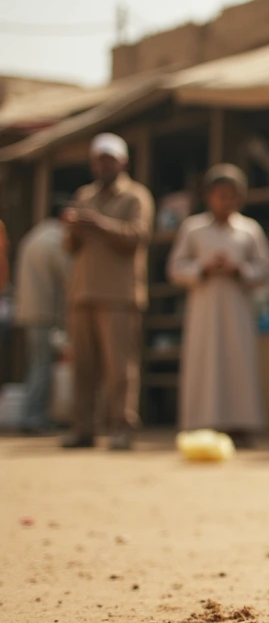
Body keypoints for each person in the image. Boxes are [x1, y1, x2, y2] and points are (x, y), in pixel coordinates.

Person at [168, 165, 269, 447]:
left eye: (232, 196)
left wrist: (239, 270)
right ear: (208, 196)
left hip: (238, 307)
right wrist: (202, 267)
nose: (226, 201)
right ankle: (201, 424)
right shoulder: (193, 228)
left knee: (238, 363)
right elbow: (175, 267)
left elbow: (265, 268)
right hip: (204, 306)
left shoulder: (249, 230)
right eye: (220, 195)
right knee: (204, 362)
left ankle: (241, 426)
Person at [62, 133, 155, 451]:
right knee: (83, 367)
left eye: (109, 159)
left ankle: (122, 427)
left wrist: (99, 224)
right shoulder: (83, 195)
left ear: (123, 162)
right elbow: (70, 248)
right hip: (83, 293)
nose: (103, 165)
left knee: (120, 368)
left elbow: (137, 237)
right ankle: (84, 428)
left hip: (119, 294)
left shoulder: (135, 196)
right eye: (98, 159)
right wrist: (74, 230)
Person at [13, 201, 70, 434]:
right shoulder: (56, 239)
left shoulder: (33, 236)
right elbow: (68, 276)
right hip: (44, 312)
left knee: (35, 364)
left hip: (28, 310)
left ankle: (32, 415)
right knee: (42, 366)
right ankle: (34, 418)